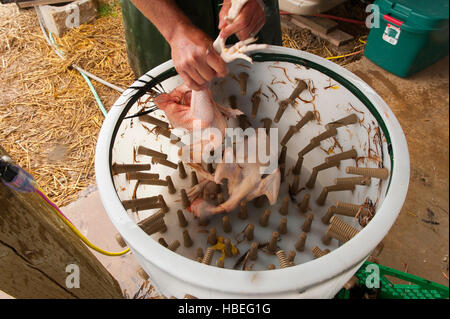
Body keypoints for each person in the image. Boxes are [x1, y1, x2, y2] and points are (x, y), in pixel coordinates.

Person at [121, 0, 282, 90]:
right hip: (161, 10)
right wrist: (174, 30)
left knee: (263, 87)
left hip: (249, 7)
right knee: (179, 103)